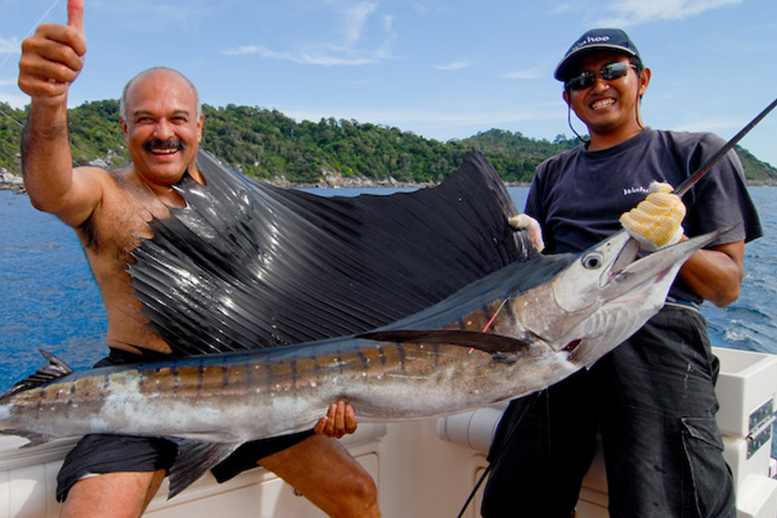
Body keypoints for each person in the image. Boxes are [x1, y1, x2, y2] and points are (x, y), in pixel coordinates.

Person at [17, 1, 379, 517]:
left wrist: (327, 394)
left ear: (200, 127)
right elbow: (49, 190)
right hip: (139, 389)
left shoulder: (240, 202)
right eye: (145, 119)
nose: (163, 132)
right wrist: (49, 101)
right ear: (123, 129)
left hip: (249, 385)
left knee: (357, 493)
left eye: (177, 118)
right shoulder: (104, 193)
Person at [482, 28, 762, 518]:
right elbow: (530, 277)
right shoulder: (551, 172)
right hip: (559, 333)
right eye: (581, 79)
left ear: (643, 79)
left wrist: (673, 243)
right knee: (513, 500)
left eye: (612, 71)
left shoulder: (695, 152)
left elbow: (726, 287)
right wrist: (530, 256)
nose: (597, 85)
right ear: (568, 97)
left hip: (654, 331)